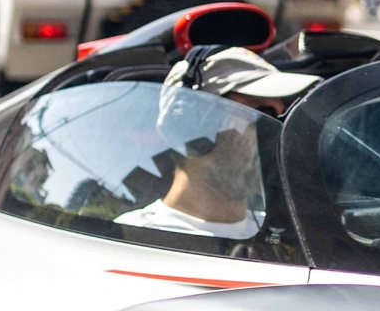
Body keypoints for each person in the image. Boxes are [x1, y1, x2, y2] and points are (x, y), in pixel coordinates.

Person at [115, 46, 316, 242]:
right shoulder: (126, 241)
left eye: (280, 119)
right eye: (263, 115)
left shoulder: (292, 241)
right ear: (196, 127)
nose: (275, 134)